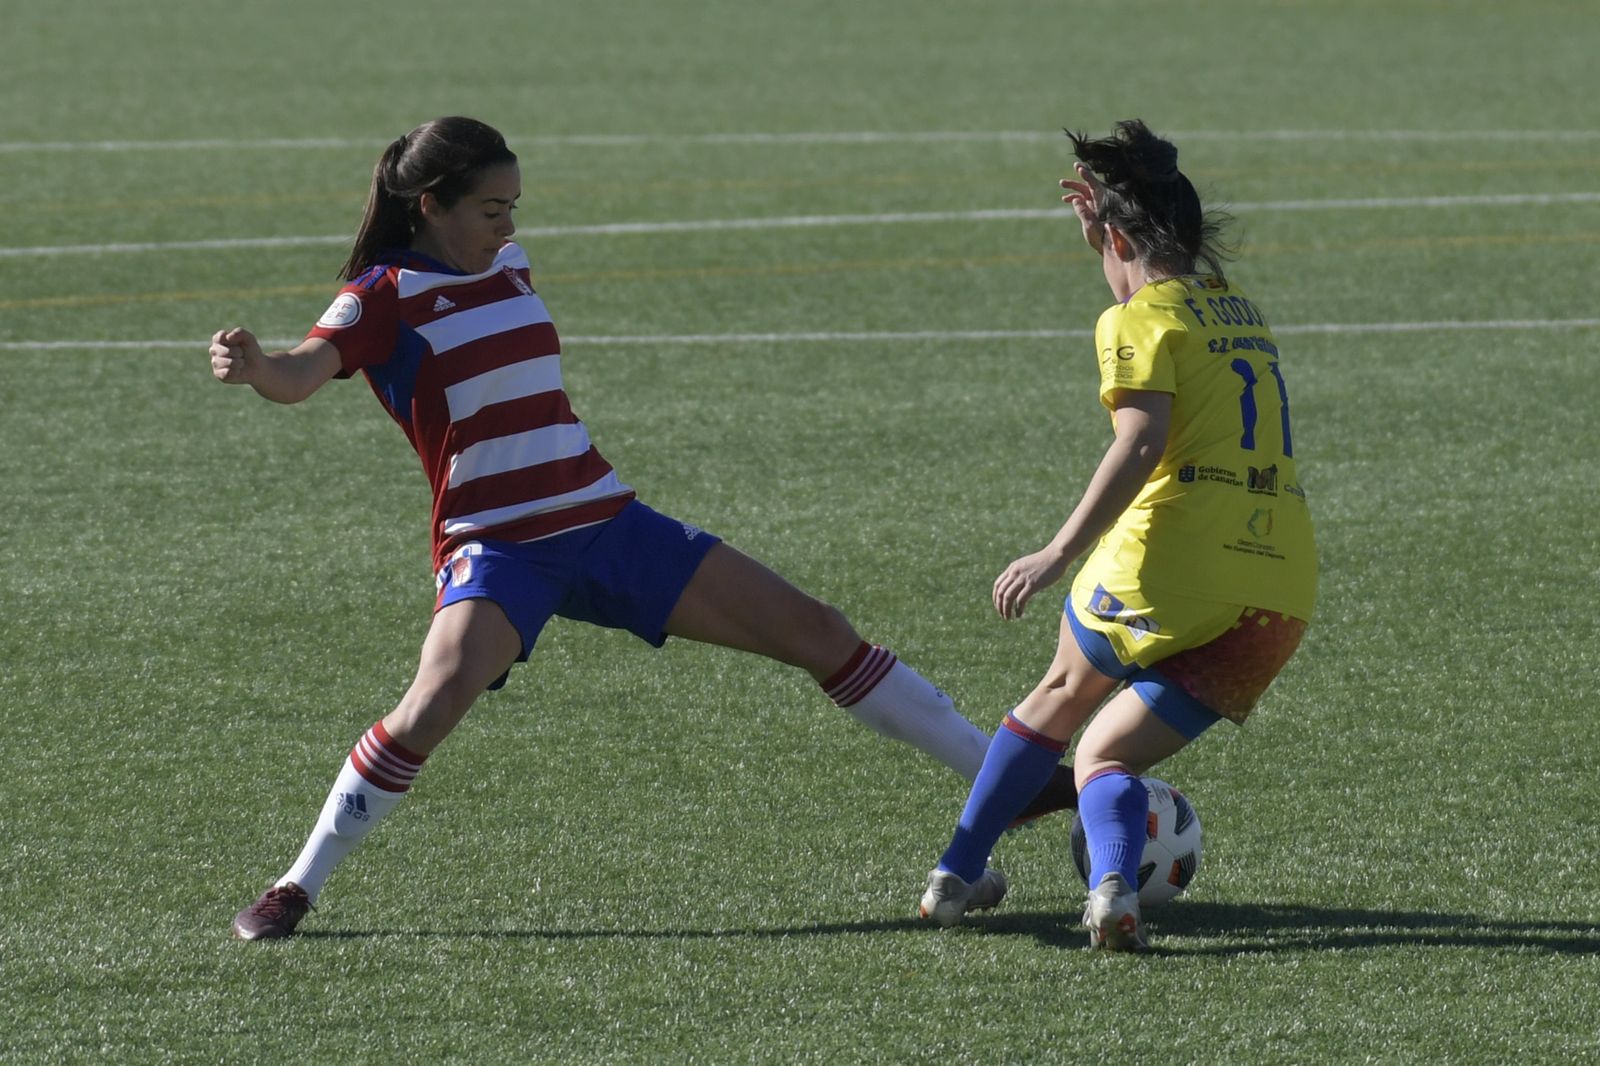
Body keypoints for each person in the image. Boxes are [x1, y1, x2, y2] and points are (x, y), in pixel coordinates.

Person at [213, 116, 1075, 940]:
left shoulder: (510, 264)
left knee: (817, 630)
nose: (507, 223)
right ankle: (297, 886)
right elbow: (300, 373)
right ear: (429, 205)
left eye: (513, 206)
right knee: (430, 705)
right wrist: (257, 367)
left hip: (605, 519)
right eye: (490, 208)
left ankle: (1008, 786)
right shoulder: (382, 299)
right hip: (500, 547)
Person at [915, 120, 1317, 950]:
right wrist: (1112, 214)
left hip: (1175, 558)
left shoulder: (1137, 318)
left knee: (1058, 702)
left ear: (1119, 236)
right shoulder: (1241, 312)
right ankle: (1110, 893)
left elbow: (1139, 443)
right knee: (1105, 758)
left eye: (1098, 242)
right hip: (1279, 584)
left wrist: (1056, 553)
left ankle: (955, 877)